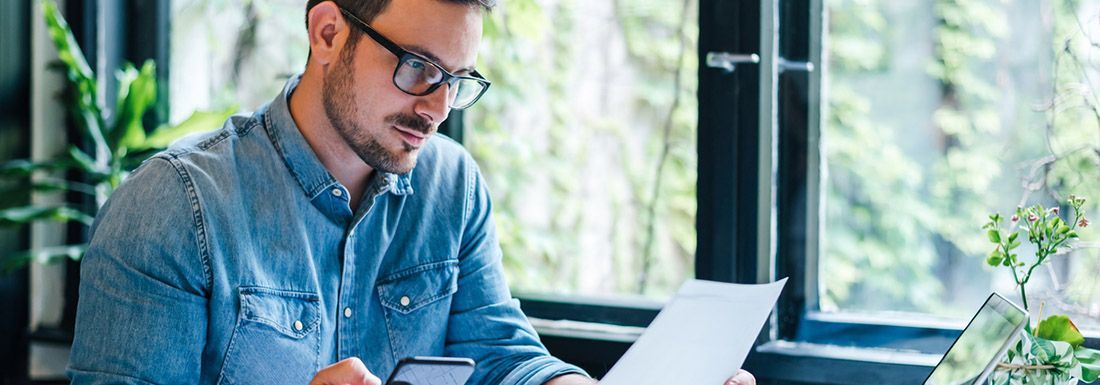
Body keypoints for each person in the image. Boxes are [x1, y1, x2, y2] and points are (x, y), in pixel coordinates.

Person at [66, 0, 758, 384]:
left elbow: (500, 357)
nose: (438, 107)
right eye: (419, 68)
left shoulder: (452, 187)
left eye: (457, 79)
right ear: (328, 33)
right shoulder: (174, 209)